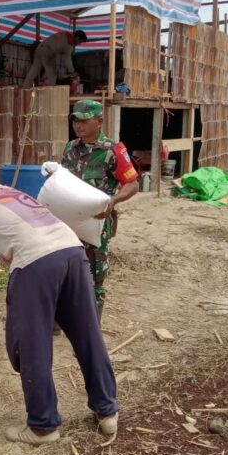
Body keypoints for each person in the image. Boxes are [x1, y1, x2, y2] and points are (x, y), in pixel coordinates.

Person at [0, 160, 118, 444]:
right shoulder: (10, 193)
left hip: (36, 264)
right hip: (72, 252)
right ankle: (106, 412)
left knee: (32, 344)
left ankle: (43, 426)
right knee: (86, 334)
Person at [61, 100, 139, 320]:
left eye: (84, 120)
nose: (78, 125)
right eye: (76, 120)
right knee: (65, 268)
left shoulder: (113, 151)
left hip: (97, 222)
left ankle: (90, 327)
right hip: (69, 220)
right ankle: (63, 319)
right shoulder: (71, 148)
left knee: (95, 275)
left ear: (100, 121)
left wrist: (113, 202)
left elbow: (132, 184)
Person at [22, 30, 87, 88]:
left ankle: (25, 87)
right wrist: (72, 71)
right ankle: (49, 93)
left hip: (39, 48)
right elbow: (67, 59)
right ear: (77, 38)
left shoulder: (64, 33)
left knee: (34, 70)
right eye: (80, 42)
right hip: (48, 53)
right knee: (52, 76)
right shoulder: (69, 43)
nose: (79, 44)